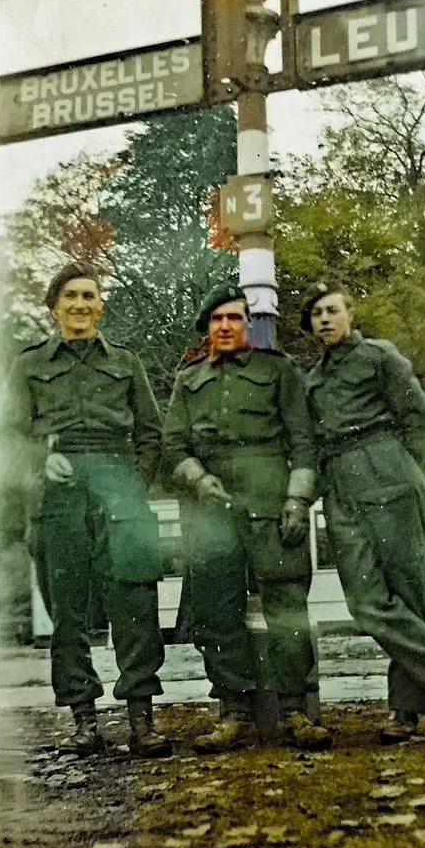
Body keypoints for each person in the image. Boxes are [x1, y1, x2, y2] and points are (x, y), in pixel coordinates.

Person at [300, 281, 425, 743]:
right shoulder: (312, 381)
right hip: (340, 487)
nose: (325, 319)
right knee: (365, 604)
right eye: (316, 315)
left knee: (410, 594)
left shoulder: (380, 357)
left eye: (332, 310)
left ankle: (404, 715)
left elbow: (421, 415)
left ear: (350, 313)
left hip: (387, 472)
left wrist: (415, 468)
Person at [6, 261, 171, 758]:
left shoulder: (126, 362)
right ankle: (84, 722)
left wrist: (131, 483)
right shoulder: (29, 365)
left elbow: (150, 431)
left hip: (118, 484)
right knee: (68, 611)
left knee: (134, 607)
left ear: (101, 305)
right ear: (55, 306)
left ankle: (142, 722)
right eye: (71, 296)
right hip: (59, 494)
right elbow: (11, 433)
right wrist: (41, 458)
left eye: (90, 296)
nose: (81, 304)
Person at [163, 283, 331, 753]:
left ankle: (296, 710)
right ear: (207, 328)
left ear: (247, 324)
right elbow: (172, 448)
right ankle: (232, 713)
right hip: (210, 512)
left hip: (272, 505)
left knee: (288, 608)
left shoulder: (279, 372)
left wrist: (298, 500)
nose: (224, 326)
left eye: (233, 318)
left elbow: (303, 442)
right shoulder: (187, 380)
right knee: (217, 613)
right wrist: (198, 480)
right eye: (216, 320)